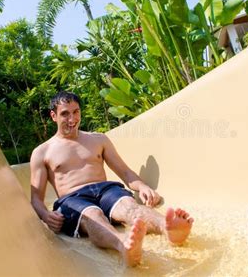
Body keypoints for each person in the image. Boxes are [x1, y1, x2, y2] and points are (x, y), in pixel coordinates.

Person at [30, 91, 194, 267]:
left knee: (128, 207)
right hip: (73, 199)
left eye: (76, 111)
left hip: (105, 190)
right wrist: (46, 215)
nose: (72, 118)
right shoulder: (42, 152)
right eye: (65, 114)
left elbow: (124, 172)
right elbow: (36, 198)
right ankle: (123, 244)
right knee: (93, 215)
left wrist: (143, 186)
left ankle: (168, 227)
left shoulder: (98, 139)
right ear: (53, 116)